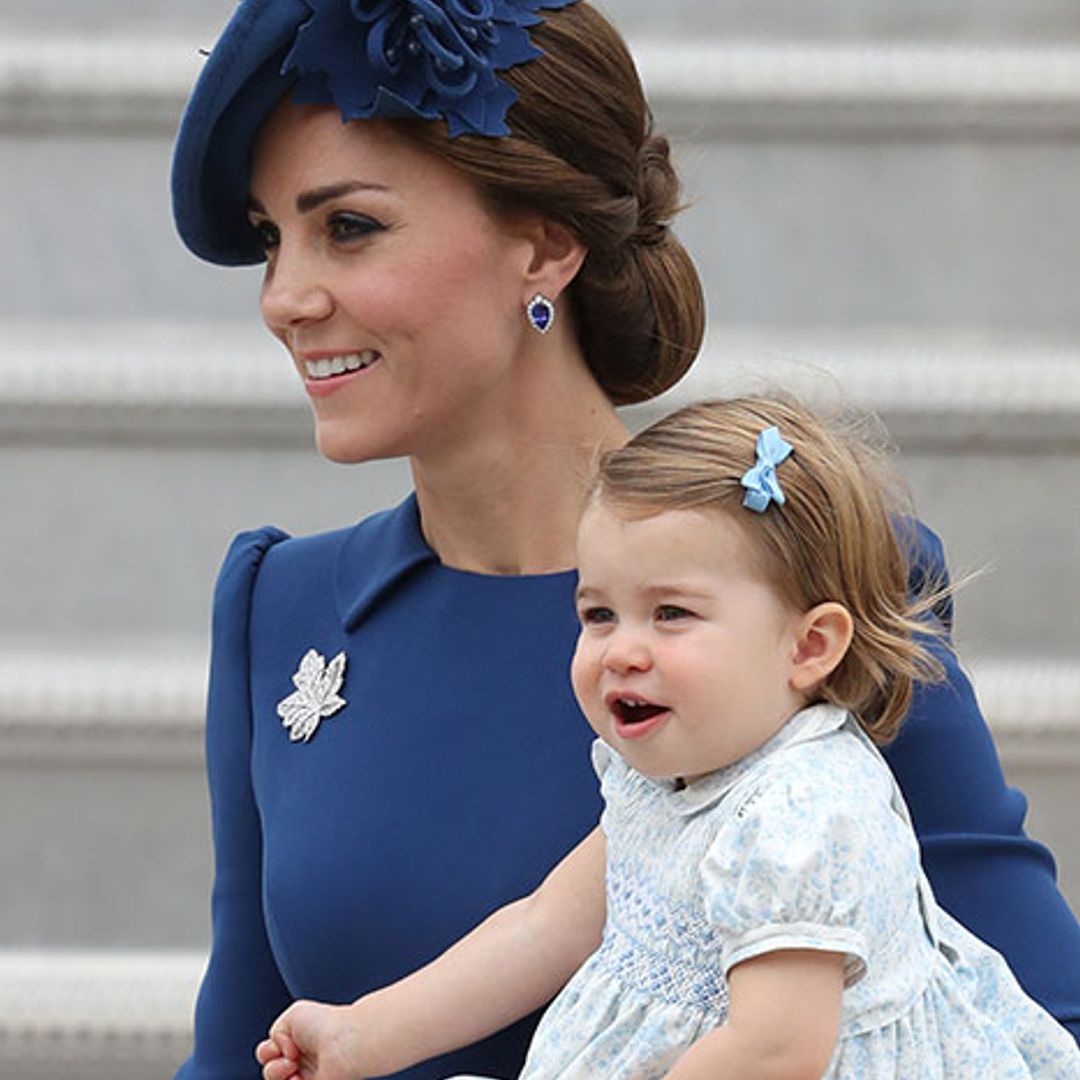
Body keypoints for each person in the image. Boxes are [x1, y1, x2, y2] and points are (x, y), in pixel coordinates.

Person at [168, 0, 1080, 1075]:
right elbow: (242, 1044)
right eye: (273, 239)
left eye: (348, 227)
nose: (283, 298)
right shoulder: (280, 604)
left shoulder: (798, 566)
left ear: (546, 246)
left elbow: (1032, 1017)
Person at [255, 397, 1080, 1079]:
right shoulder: (664, 784)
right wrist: (367, 1034)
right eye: (598, 614)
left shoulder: (805, 810)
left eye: (672, 614)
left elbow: (778, 1048)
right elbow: (542, 928)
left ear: (810, 646)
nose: (623, 650)